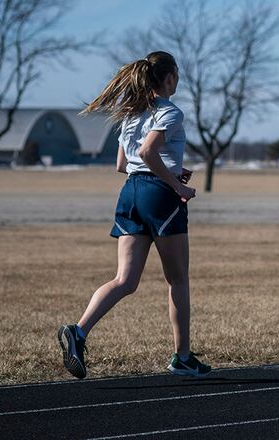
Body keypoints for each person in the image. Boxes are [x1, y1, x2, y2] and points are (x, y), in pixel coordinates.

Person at [57, 51, 211, 379]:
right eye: (177, 75)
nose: (178, 80)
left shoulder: (131, 115)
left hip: (130, 193)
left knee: (124, 280)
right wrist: (176, 185)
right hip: (159, 197)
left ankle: (78, 331)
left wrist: (171, 170)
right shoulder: (170, 112)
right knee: (178, 279)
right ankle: (182, 358)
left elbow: (123, 165)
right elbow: (146, 152)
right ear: (169, 78)